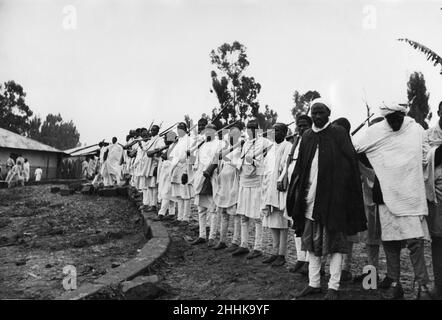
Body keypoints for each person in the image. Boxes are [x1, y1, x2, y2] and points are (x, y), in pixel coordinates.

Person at [287, 99, 367, 300]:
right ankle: (314, 283)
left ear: (328, 113)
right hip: (310, 200)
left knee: (335, 245)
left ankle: (333, 286)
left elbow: (350, 164)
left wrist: (342, 194)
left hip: (334, 202)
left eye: (321, 112)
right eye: (314, 113)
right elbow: (300, 169)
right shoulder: (306, 136)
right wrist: (298, 195)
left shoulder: (338, 133)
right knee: (312, 244)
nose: (317, 116)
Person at [354, 102, 432, 300]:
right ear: (386, 117)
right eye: (390, 119)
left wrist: (406, 167)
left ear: (403, 114)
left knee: (415, 241)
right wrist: (378, 165)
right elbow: (356, 148)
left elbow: (425, 157)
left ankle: (422, 285)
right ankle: (395, 283)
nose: (394, 122)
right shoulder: (376, 131)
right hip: (385, 196)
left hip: (410, 194)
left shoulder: (415, 130)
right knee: (390, 242)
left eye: (397, 117)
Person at [232, 119, 272, 260]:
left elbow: (267, 163)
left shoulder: (266, 143)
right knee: (243, 214)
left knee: (257, 216)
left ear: (258, 129)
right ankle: (244, 244)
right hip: (244, 180)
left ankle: (258, 247)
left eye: (254, 127)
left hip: (256, 182)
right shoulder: (245, 143)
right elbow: (238, 161)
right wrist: (244, 161)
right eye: (249, 127)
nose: (251, 130)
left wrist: (255, 162)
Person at [283, 115, 313, 275]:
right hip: (294, 187)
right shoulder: (296, 143)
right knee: (296, 223)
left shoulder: (314, 141)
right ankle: (300, 258)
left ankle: (310, 260)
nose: (301, 129)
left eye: (304, 126)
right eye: (299, 126)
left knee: (308, 224)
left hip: (307, 188)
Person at [261, 123, 292, 266]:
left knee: (282, 222)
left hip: (280, 188)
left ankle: (282, 254)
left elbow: (286, 167)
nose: (275, 133)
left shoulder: (288, 146)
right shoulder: (271, 147)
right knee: (272, 220)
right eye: (273, 130)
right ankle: (274, 252)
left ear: (285, 132)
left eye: (278, 130)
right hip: (269, 188)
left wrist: (279, 179)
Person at [191, 123, 224, 246]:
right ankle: (202, 235)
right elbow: (196, 162)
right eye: (207, 130)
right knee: (201, 208)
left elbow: (220, 161)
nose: (208, 132)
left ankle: (212, 236)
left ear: (215, 132)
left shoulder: (220, 143)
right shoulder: (201, 144)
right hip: (200, 177)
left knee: (213, 209)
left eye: (211, 130)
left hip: (212, 177)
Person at [212, 122, 244, 251]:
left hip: (234, 181)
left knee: (235, 213)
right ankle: (222, 240)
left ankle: (235, 241)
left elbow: (239, 164)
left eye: (235, 134)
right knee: (223, 212)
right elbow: (219, 158)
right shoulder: (228, 148)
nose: (232, 137)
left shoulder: (242, 147)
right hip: (223, 182)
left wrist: (229, 158)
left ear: (239, 135)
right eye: (230, 135)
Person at [422, 100, 442, 299]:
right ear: (439, 112)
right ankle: (439, 286)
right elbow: (424, 160)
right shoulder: (428, 135)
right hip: (437, 196)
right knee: (438, 240)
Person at [170, 122, 194, 226]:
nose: (179, 131)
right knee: (179, 195)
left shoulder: (190, 140)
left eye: (181, 129)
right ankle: (179, 217)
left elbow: (192, 157)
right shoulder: (178, 141)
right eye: (178, 129)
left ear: (185, 129)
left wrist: (186, 172)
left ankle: (186, 218)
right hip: (177, 167)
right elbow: (173, 156)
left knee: (186, 195)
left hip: (186, 167)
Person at [156, 131, 178, 221]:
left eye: (166, 138)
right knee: (169, 193)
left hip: (171, 171)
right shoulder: (168, 147)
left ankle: (161, 213)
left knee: (166, 192)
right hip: (164, 173)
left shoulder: (175, 147)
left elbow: (165, 156)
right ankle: (172, 213)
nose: (164, 140)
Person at [143, 125, 166, 212]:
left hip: (154, 164)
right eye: (151, 130)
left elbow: (161, 151)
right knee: (149, 185)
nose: (152, 131)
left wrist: (156, 166)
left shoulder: (159, 140)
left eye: (154, 130)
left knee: (154, 186)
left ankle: (154, 205)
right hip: (148, 165)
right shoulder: (151, 139)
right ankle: (150, 203)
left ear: (157, 131)